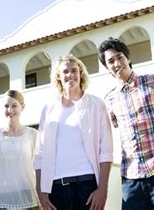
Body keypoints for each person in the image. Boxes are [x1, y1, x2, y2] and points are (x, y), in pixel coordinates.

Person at [98, 37, 154, 210]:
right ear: (107, 67)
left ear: (128, 58)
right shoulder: (109, 99)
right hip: (131, 178)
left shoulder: (153, 82)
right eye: (110, 61)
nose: (116, 63)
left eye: (119, 57)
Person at [34, 55, 113, 210]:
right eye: (65, 72)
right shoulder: (48, 109)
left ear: (80, 73)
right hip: (56, 189)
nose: (70, 75)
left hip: (88, 186)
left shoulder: (96, 104)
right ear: (58, 76)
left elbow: (106, 150)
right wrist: (40, 191)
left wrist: (102, 189)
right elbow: (39, 154)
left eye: (74, 71)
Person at [0, 90, 40, 209]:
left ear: (22, 107)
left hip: (27, 196)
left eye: (14, 106)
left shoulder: (33, 135)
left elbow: (39, 169)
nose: (9, 110)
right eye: (6, 106)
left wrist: (41, 195)